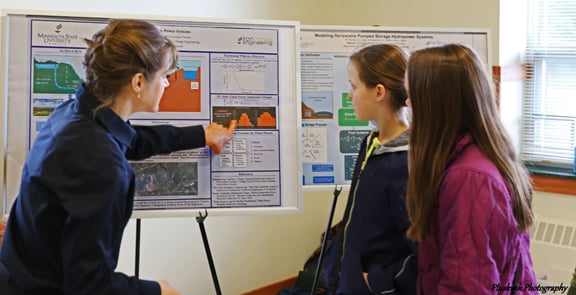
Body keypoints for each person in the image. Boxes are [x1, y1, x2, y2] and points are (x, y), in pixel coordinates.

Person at [0, 19, 237, 295]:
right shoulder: (102, 166)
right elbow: (89, 286)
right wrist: (158, 290)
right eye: (163, 76)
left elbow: (131, 140)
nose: (167, 84)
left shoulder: (74, 114)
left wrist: (202, 135)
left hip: (18, 273)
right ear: (138, 81)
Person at [404, 43, 537, 294]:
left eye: (413, 96)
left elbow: (468, 285)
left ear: (435, 104)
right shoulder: (478, 159)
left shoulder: (470, 178)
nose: (408, 103)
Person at [322, 44, 417, 295]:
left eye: (354, 86)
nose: (350, 95)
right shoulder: (371, 142)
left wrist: (378, 282)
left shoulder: (406, 163)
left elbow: (424, 251)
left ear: (378, 92)